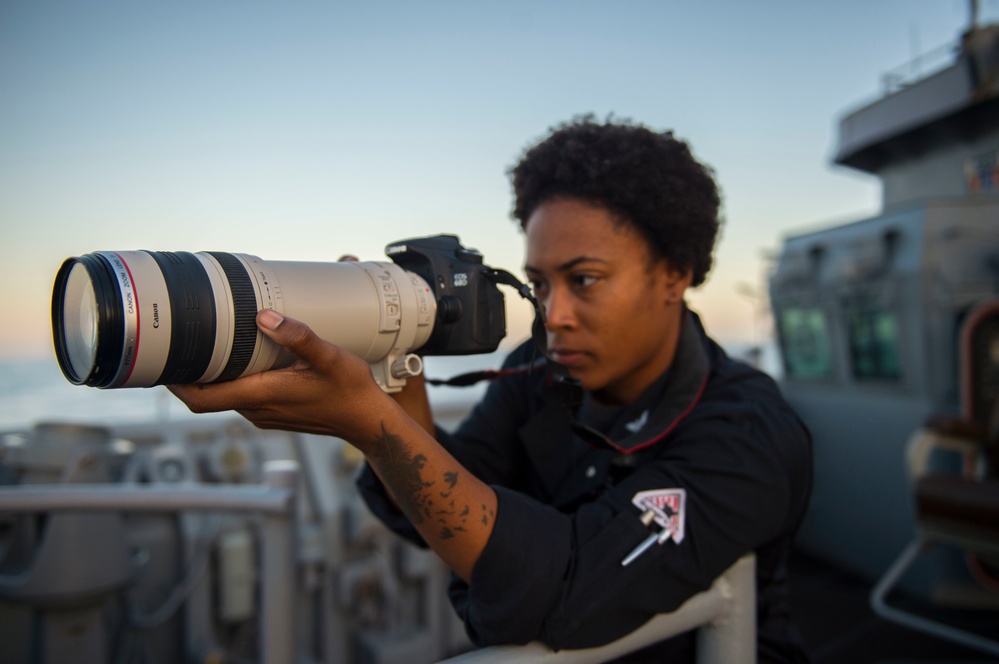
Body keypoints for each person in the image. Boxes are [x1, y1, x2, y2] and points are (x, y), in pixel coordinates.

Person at [171, 115, 812, 662]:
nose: (554, 314)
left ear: (674, 274)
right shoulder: (542, 368)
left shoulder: (745, 434)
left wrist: (368, 423)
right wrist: (392, 372)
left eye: (584, 280)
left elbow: (568, 590)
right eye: (539, 283)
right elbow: (451, 489)